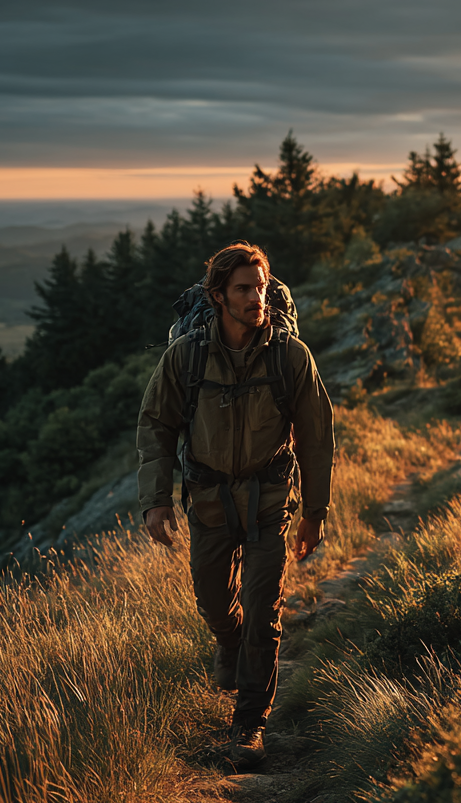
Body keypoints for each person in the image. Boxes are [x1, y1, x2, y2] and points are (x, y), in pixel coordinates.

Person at [136, 241, 334, 770]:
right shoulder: (187, 356)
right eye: (244, 289)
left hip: (271, 500)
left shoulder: (291, 356)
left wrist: (315, 511)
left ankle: (249, 726)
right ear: (218, 296)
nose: (256, 298)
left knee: (263, 613)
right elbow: (156, 424)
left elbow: (316, 436)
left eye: (262, 287)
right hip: (210, 502)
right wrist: (156, 501)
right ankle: (229, 641)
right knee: (216, 606)